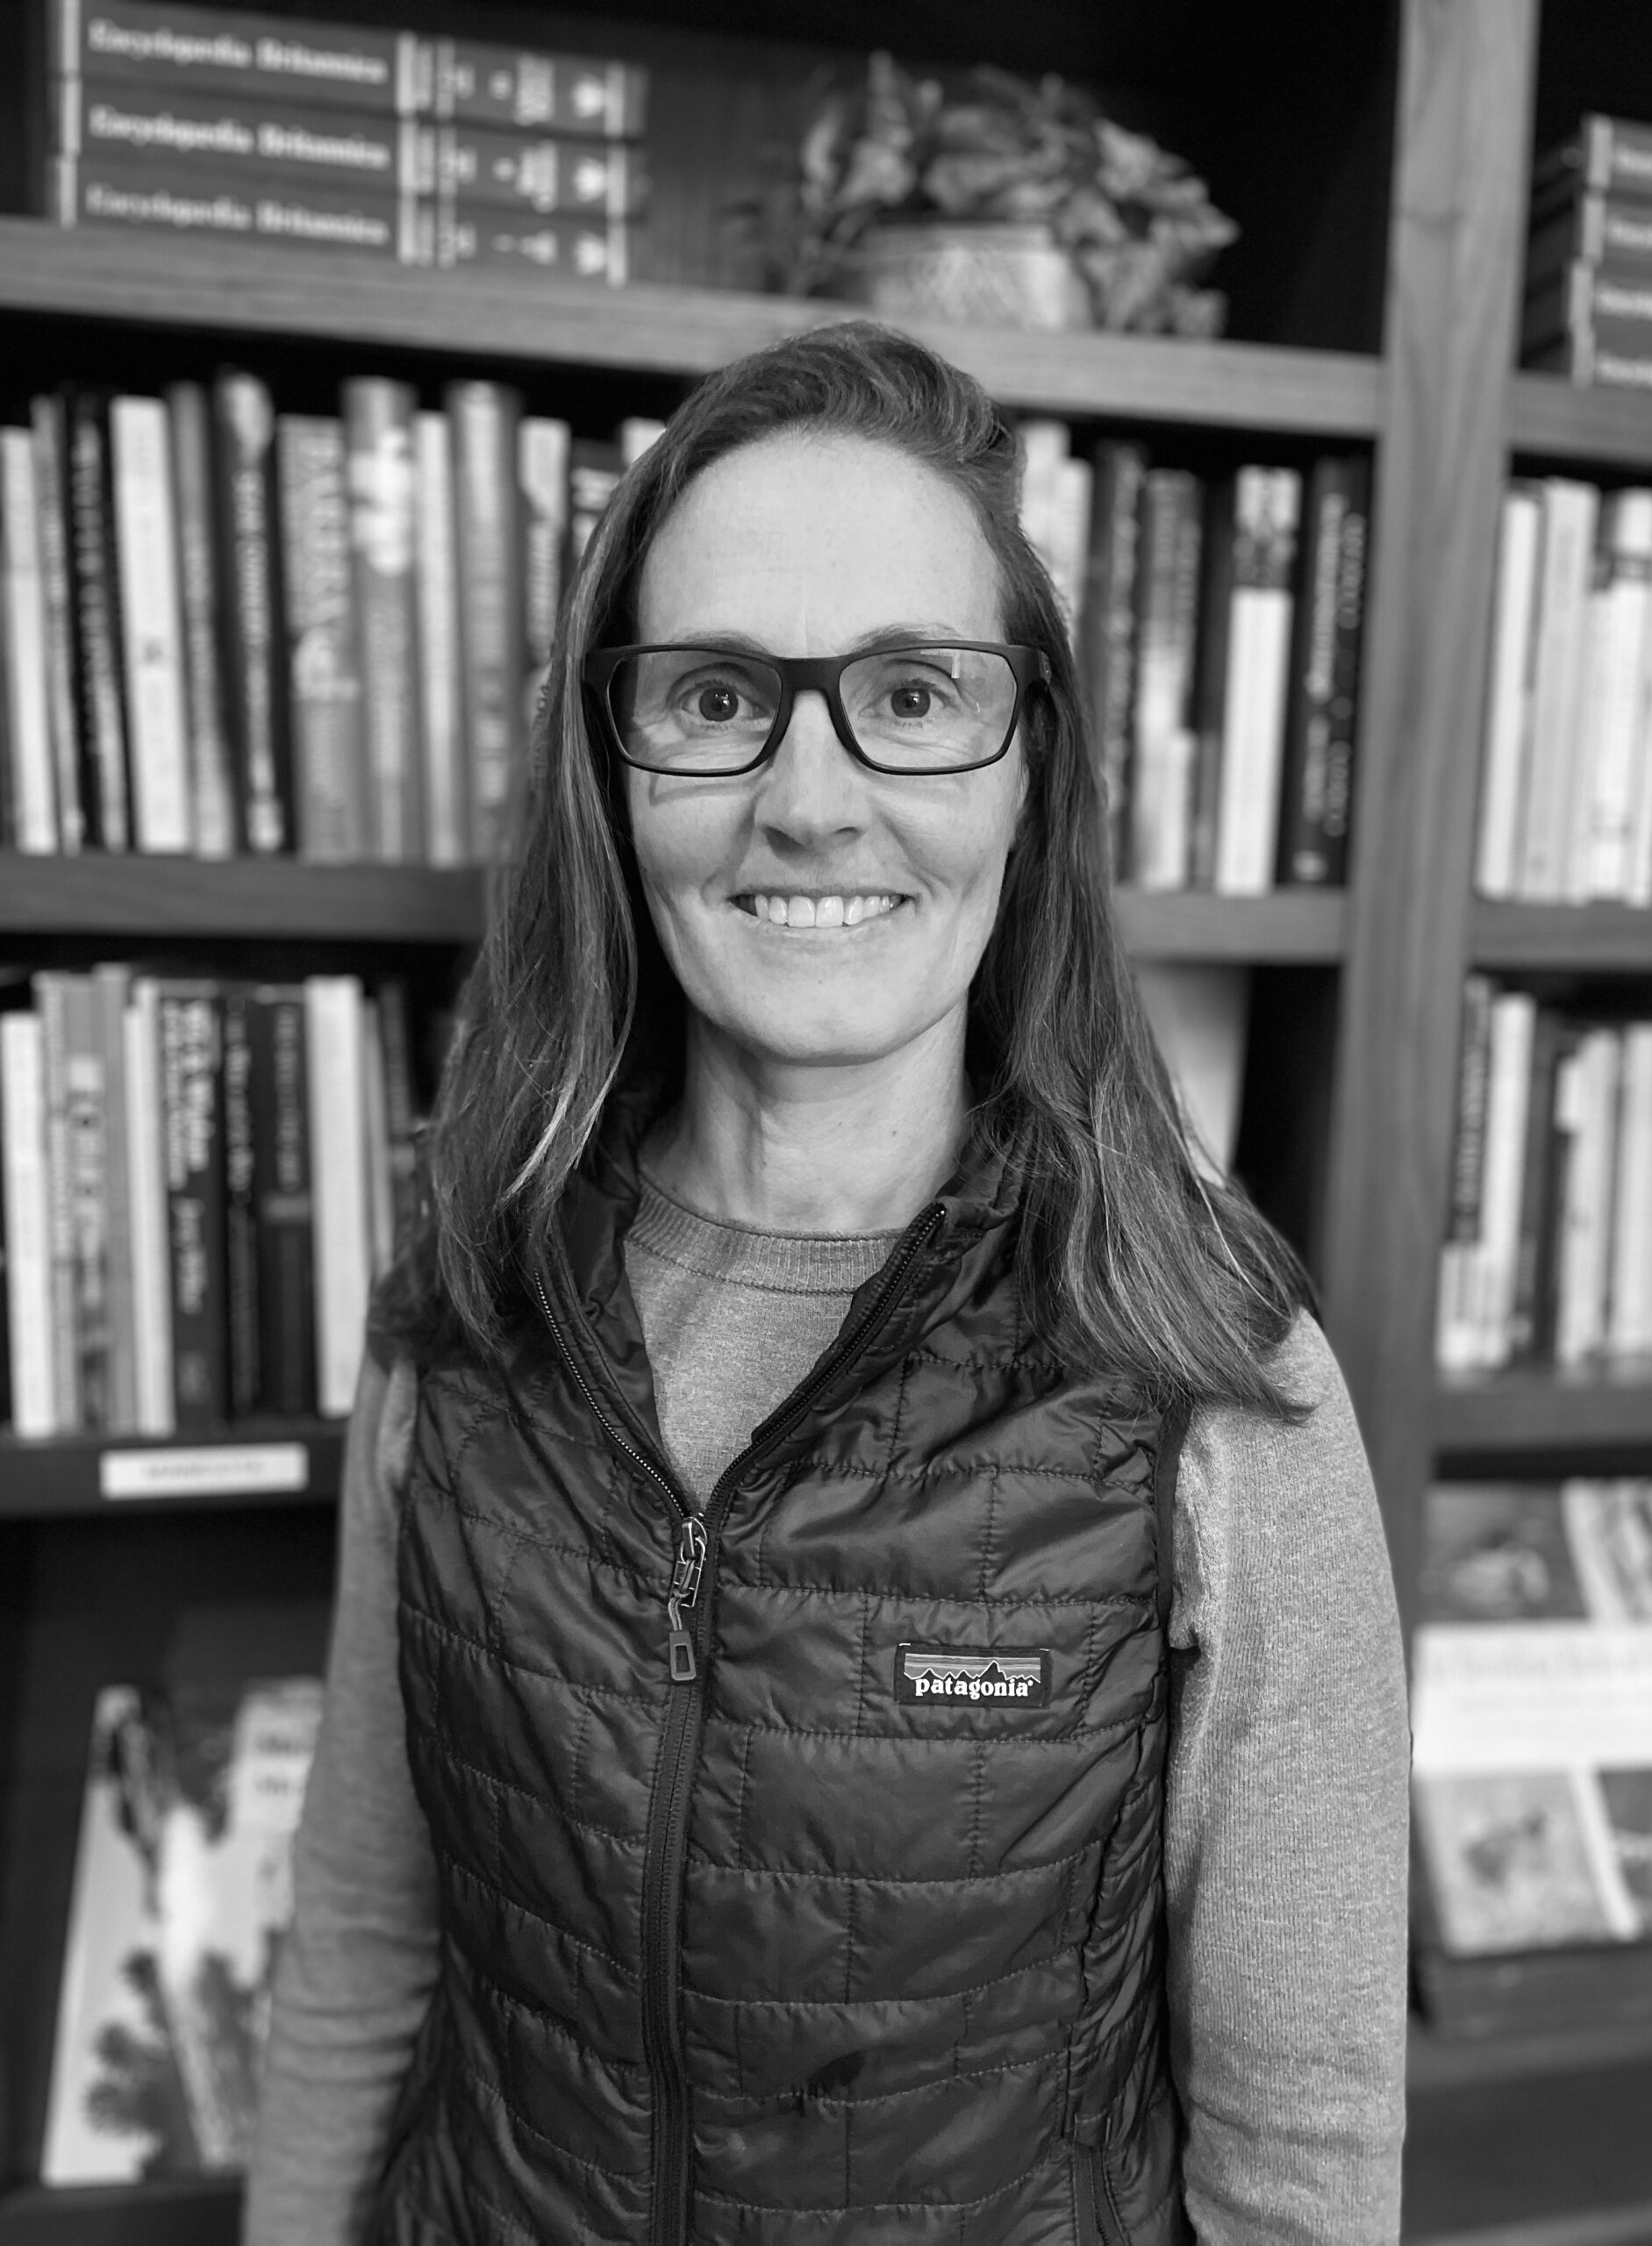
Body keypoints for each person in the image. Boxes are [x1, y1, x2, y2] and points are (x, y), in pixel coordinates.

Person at [247, 323, 1410, 2246]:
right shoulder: (461, 1302)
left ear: (1031, 762)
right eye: (717, 697)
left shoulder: (1210, 1368)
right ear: (613, 767)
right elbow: (369, 1946)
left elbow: (1305, 2143)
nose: (809, 794)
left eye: (912, 692)